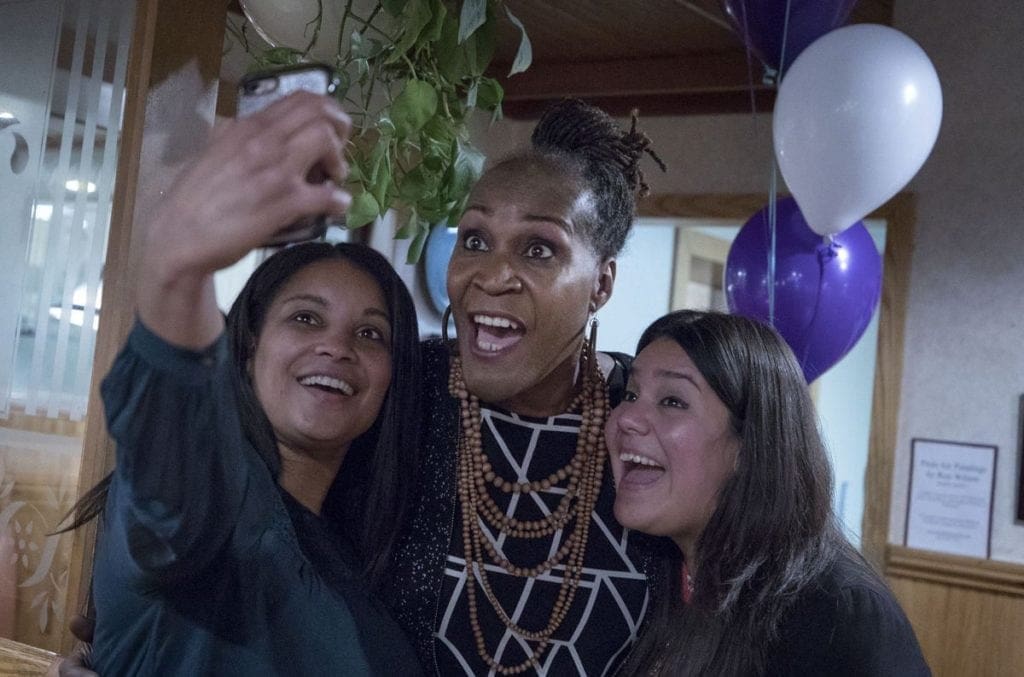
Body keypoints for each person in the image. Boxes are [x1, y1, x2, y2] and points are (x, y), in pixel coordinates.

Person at [72, 92, 423, 675]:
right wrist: (177, 270)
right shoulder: (208, 498)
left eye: (372, 335)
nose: (337, 346)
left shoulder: (349, 554)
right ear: (249, 343)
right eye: (305, 318)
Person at [383, 98, 669, 675]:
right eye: (475, 240)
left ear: (601, 283)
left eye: (539, 249)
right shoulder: (401, 396)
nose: (491, 275)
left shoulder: (646, 427)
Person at [606, 310, 931, 676]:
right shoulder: (650, 576)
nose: (626, 417)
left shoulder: (840, 614)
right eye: (631, 394)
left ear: (749, 447)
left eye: (672, 401)